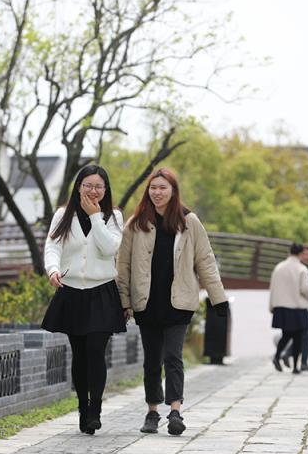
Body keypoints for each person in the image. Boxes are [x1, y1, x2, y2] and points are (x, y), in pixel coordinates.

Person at [116, 168, 228, 436]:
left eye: (162, 188)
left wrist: (218, 298)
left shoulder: (190, 222)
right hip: (147, 301)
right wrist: (124, 301)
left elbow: (206, 261)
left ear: (173, 191)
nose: (157, 192)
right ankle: (152, 411)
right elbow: (123, 265)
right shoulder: (136, 224)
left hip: (179, 301)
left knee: (173, 357)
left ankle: (175, 410)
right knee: (152, 359)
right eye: (153, 188)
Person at [41, 165, 125, 435]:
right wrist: (53, 270)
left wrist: (96, 217)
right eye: (88, 185)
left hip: (102, 291)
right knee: (79, 354)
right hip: (72, 290)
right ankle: (82, 406)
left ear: (106, 189)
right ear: (78, 186)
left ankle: (95, 410)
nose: (93, 190)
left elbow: (110, 248)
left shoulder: (113, 217)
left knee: (95, 351)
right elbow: (52, 246)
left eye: (99, 186)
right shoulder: (62, 215)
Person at [269, 243, 308, 374]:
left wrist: (272, 305)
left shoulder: (279, 267)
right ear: (300, 253)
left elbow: (273, 288)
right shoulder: (302, 269)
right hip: (297, 307)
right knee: (299, 336)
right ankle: (295, 366)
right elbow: (305, 289)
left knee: (286, 334)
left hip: (281, 306)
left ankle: (277, 357)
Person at [281, 245, 308, 371]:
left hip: (299, 305)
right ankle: (300, 361)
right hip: (301, 305)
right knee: (305, 335)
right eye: (305, 254)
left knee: (300, 335)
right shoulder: (302, 268)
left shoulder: (297, 267)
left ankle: (289, 355)